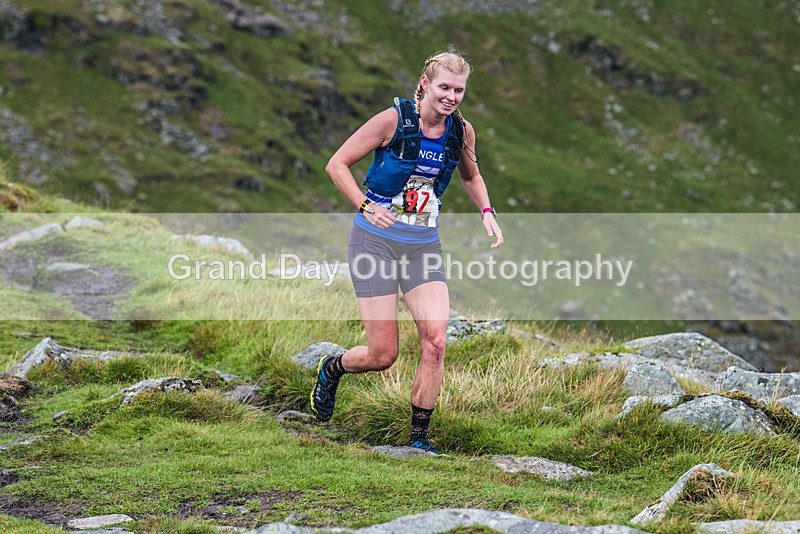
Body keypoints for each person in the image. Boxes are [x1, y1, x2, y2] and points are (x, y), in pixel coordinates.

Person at [310, 50, 503, 454]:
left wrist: (486, 211)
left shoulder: (461, 132)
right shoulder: (394, 120)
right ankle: (332, 368)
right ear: (426, 84)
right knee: (383, 354)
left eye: (459, 90)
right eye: (444, 88)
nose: (451, 97)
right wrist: (365, 205)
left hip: (422, 245)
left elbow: (472, 175)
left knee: (435, 341)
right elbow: (337, 164)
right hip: (375, 242)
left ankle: (418, 441)